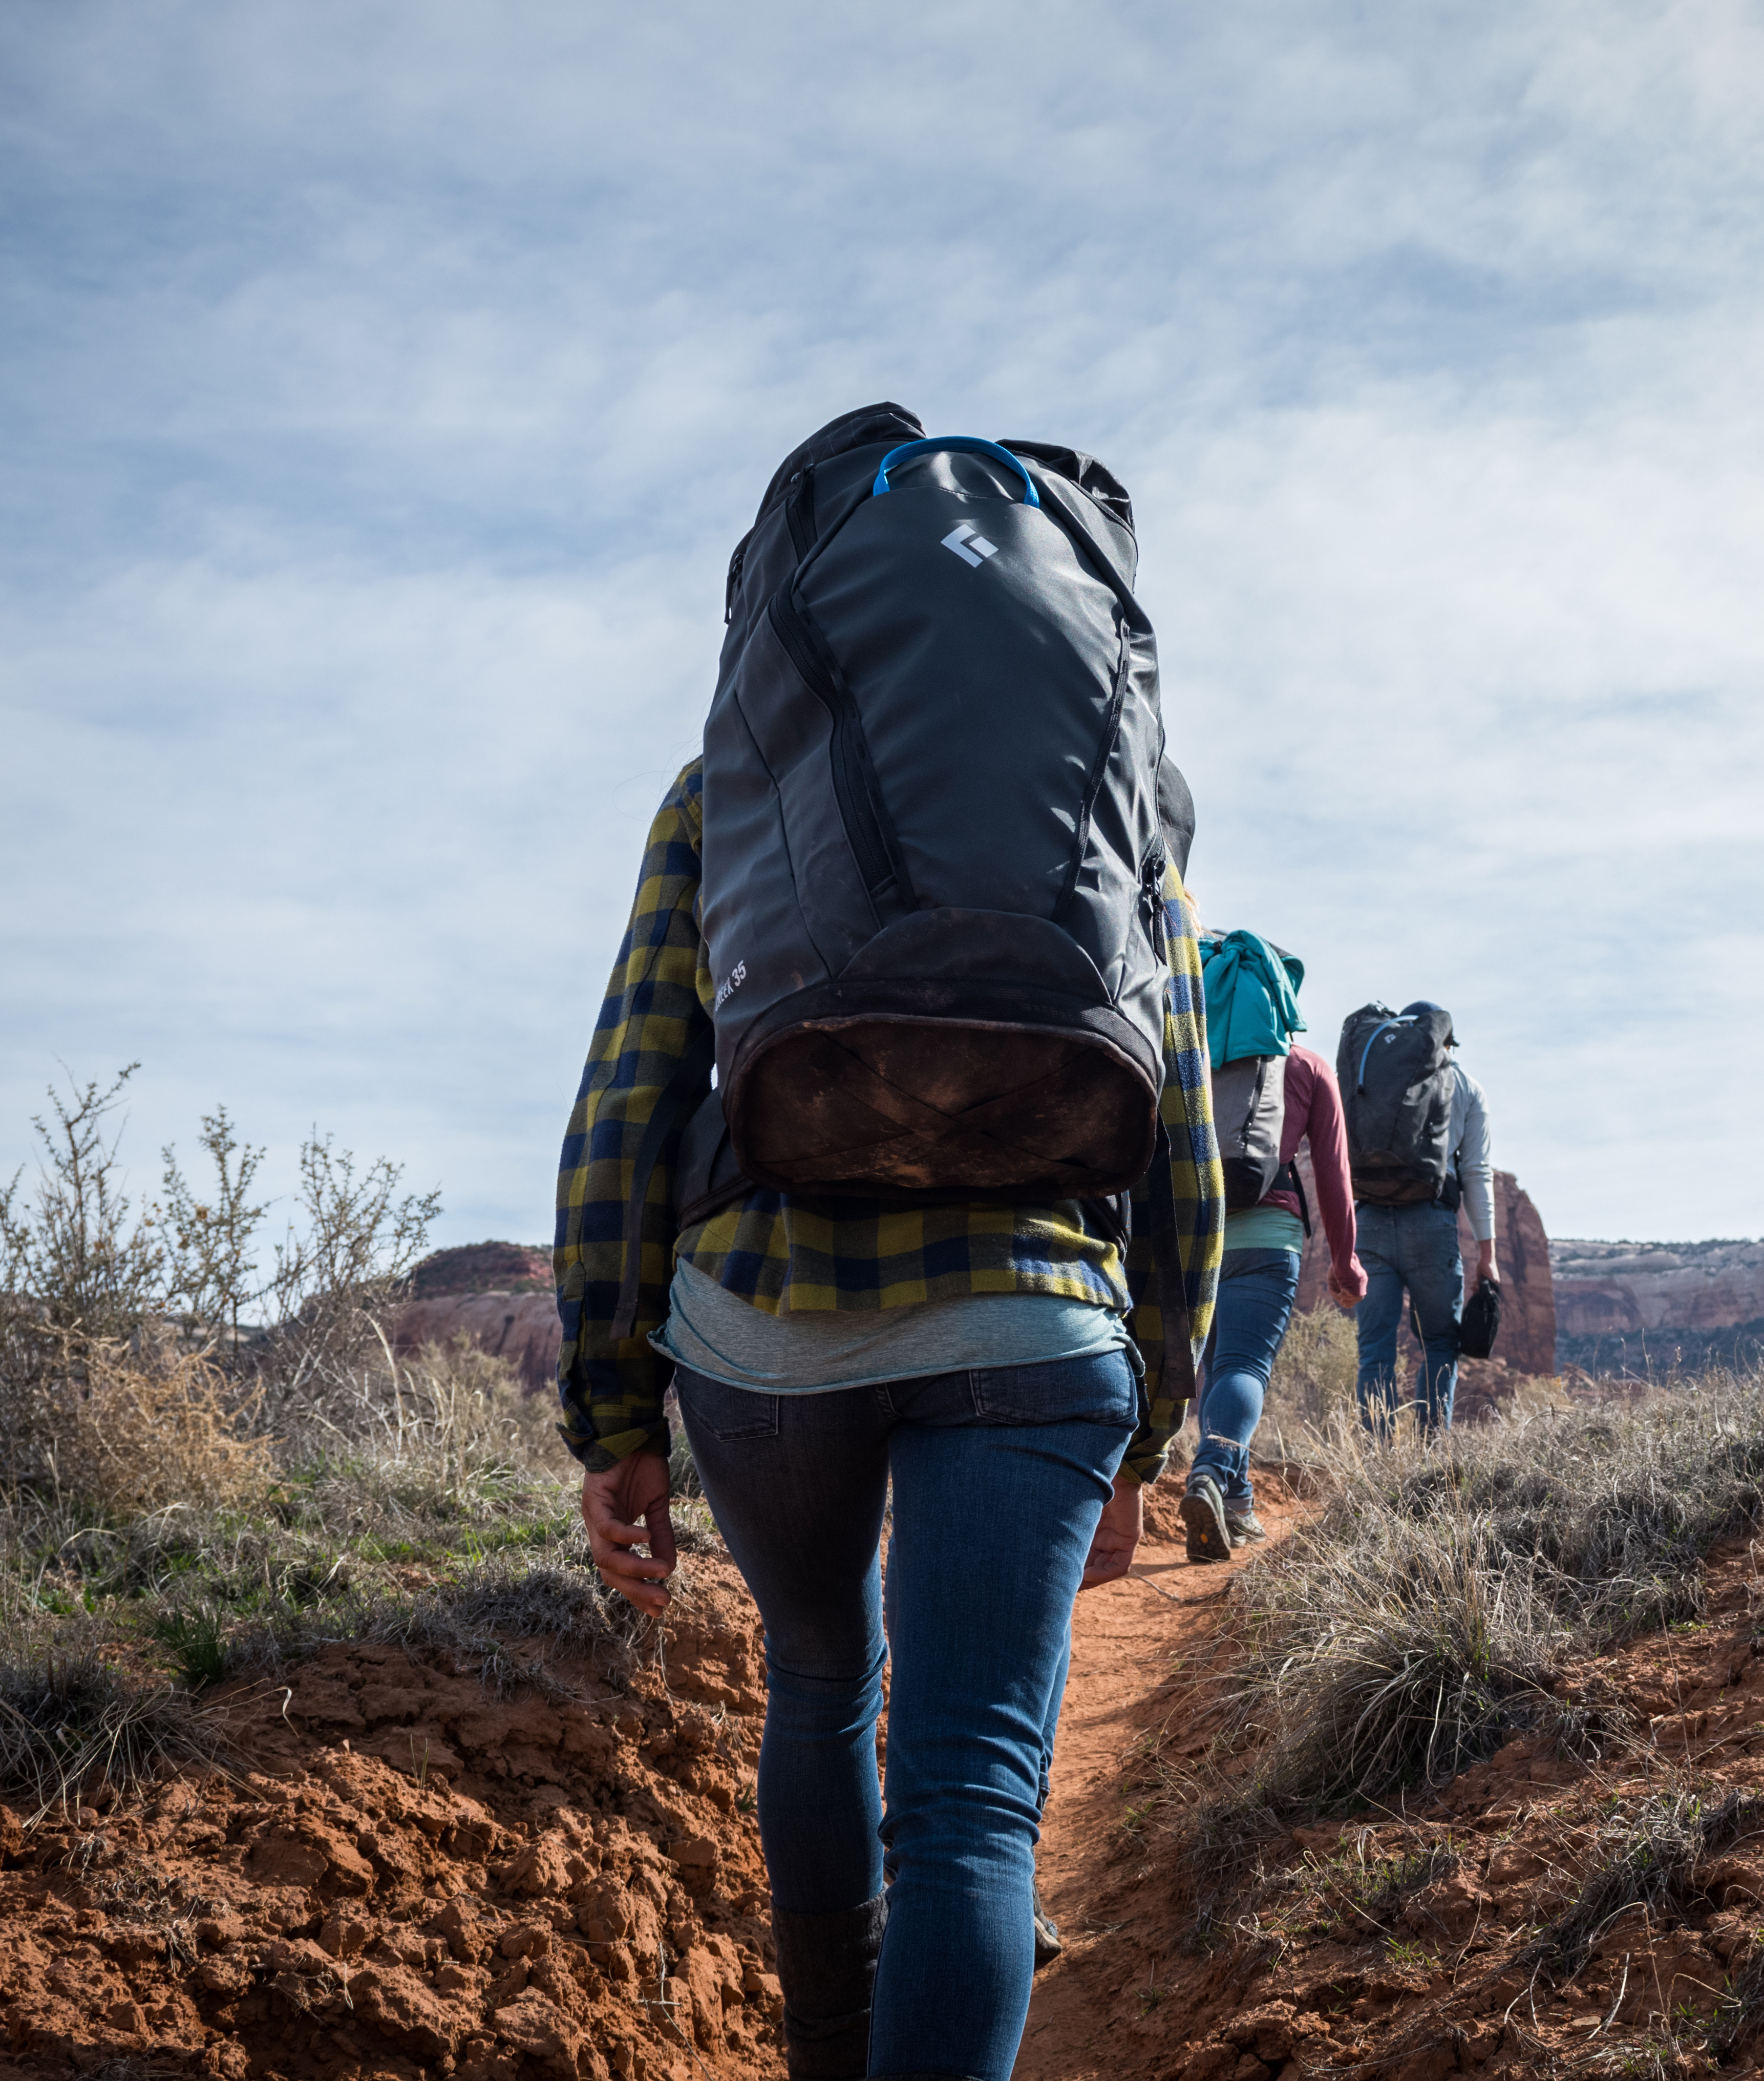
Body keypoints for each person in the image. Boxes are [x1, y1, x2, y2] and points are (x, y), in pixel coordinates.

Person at [557, 404, 1217, 2081]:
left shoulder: (721, 786)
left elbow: (632, 1093)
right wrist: (1152, 1426)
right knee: (975, 1803)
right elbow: (1184, 1153)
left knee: (818, 1685)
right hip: (1038, 1328)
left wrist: (613, 1416)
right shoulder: (1130, 802)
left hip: (764, 1329)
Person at [1182, 931, 1365, 1563]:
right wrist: (1347, 1264)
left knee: (1214, 1370)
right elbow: (1336, 1178)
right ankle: (1212, 1467)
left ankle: (1237, 1507)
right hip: (1269, 1233)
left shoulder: (1189, 1054)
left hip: (1193, 1234)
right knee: (1243, 1367)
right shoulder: (1307, 1066)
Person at [1347, 999, 1495, 1441]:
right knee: (1439, 1344)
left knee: (1375, 1349)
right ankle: (1431, 1458)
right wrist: (1488, 1254)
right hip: (1430, 1224)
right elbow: (1475, 1172)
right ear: (1444, 1041)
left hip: (1368, 1219)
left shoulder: (1367, 1078)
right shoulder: (1465, 1085)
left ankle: (1377, 1460)